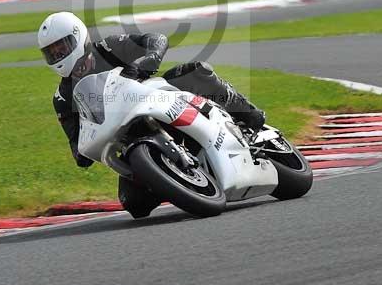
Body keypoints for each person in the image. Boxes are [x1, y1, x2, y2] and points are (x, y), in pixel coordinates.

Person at [38, 11, 265, 218]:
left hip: (155, 99)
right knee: (134, 205)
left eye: (62, 47)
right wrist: (84, 150)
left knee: (195, 72)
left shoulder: (108, 47)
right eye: (52, 52)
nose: (59, 54)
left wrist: (144, 62)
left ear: (79, 38)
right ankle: (174, 178)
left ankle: (247, 115)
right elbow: (76, 144)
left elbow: (157, 40)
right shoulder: (63, 98)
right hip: (124, 138)